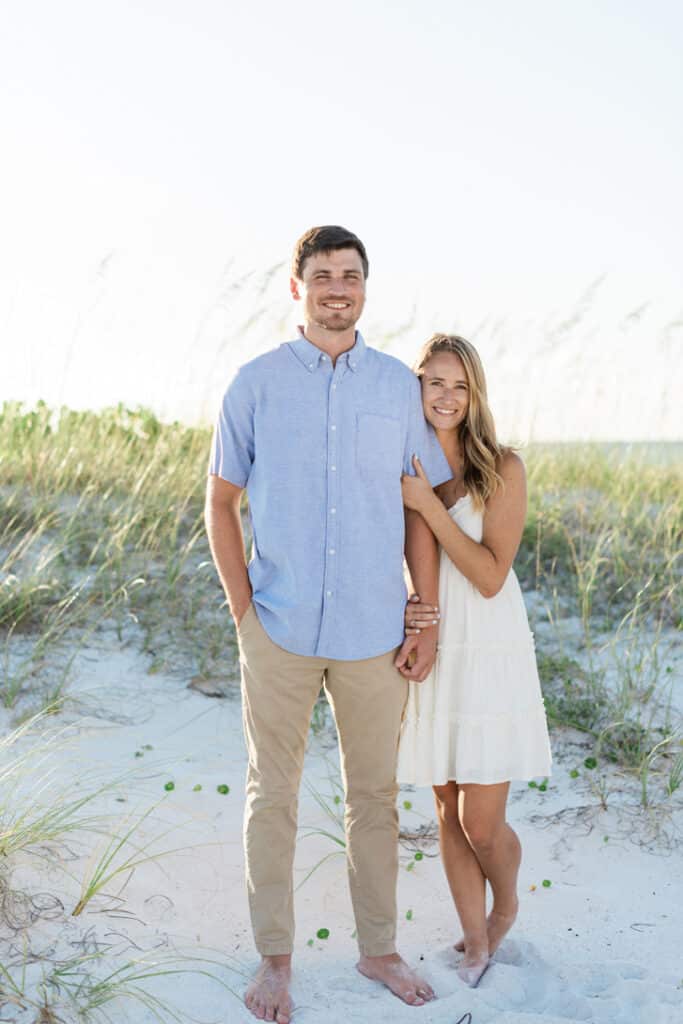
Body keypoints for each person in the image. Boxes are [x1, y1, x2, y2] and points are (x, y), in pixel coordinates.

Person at [205, 226, 452, 1023]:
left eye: (349, 275)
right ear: (295, 287)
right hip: (274, 624)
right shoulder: (254, 383)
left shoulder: (395, 388)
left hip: (374, 630)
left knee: (372, 796)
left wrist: (425, 611)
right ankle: (274, 961)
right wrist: (244, 609)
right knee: (269, 794)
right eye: (321, 275)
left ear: (365, 288)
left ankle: (377, 949)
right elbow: (220, 500)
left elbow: (419, 509)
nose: (335, 287)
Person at [397, 333, 552, 988]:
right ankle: (472, 940)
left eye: (459, 385)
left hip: (488, 645)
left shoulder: (502, 468)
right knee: (444, 806)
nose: (445, 396)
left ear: (475, 394)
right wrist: (416, 619)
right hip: (437, 638)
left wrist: (430, 505)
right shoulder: (405, 459)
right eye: (434, 382)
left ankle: (507, 901)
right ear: (417, 387)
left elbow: (489, 576)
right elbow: (410, 558)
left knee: (479, 821)